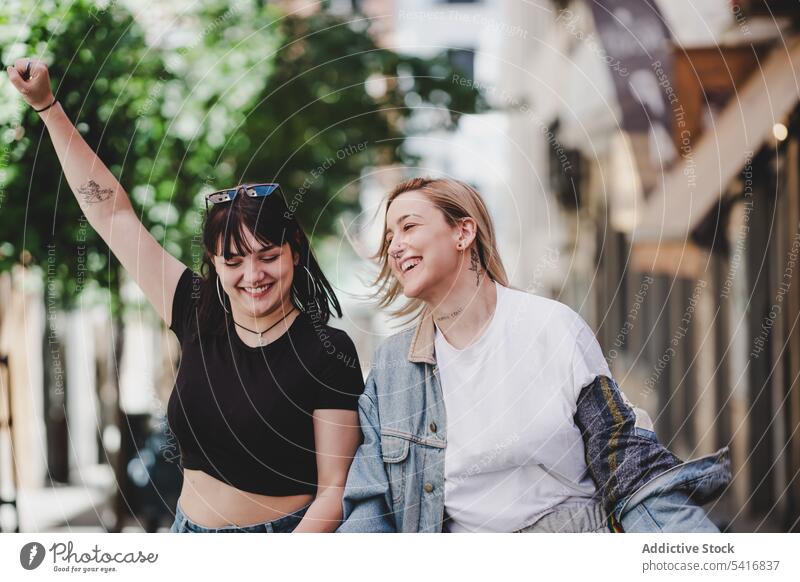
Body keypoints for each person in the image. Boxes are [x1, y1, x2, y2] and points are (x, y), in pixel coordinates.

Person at [7, 59, 364, 533]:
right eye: (233, 261)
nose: (252, 275)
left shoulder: (327, 350)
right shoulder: (197, 311)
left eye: (267, 255)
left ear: (294, 252)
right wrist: (47, 107)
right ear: (214, 264)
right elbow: (112, 214)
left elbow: (334, 492)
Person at [338, 177, 730, 533]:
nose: (395, 246)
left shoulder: (552, 328)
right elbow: (370, 505)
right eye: (390, 236)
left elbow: (623, 455)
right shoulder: (391, 368)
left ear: (463, 232)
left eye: (408, 226)